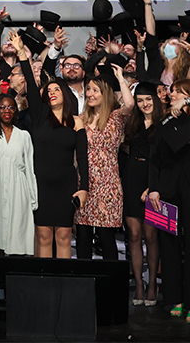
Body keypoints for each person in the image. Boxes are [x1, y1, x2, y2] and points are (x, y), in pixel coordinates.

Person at [13, 30, 88, 259]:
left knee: (64, 237)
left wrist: (83, 187)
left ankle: (64, 290)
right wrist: (20, 54)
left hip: (65, 186)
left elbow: (83, 158)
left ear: (65, 93)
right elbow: (32, 85)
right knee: (43, 236)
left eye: (57, 89)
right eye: (49, 90)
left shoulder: (76, 121)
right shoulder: (38, 117)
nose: (53, 92)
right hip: (40, 185)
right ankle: (43, 289)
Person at [0, 47, 37, 256]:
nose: (7, 110)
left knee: (18, 238)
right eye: (2, 107)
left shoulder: (24, 136)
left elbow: (29, 168)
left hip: (19, 191)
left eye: (11, 107)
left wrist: (32, 197)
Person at [75, 67, 135, 260]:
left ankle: (110, 288)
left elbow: (129, 103)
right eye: (89, 90)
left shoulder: (115, 118)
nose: (90, 94)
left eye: (95, 90)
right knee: (83, 237)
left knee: (106, 238)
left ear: (105, 94)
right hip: (84, 183)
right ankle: (84, 286)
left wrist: (119, 78)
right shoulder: (81, 120)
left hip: (107, 185)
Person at [147, 77, 190, 320]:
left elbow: (183, 140)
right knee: (170, 245)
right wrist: (153, 188)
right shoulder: (163, 121)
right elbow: (155, 158)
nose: (171, 94)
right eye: (171, 91)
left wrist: (183, 111)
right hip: (167, 188)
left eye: (178, 92)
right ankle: (174, 299)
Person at [122, 82, 163, 305]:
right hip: (132, 179)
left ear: (155, 99)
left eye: (148, 99)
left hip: (153, 182)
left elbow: (164, 159)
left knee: (151, 236)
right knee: (134, 235)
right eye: (140, 100)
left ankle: (153, 284)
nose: (144, 104)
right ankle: (139, 284)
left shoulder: (163, 123)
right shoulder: (133, 123)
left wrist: (152, 186)